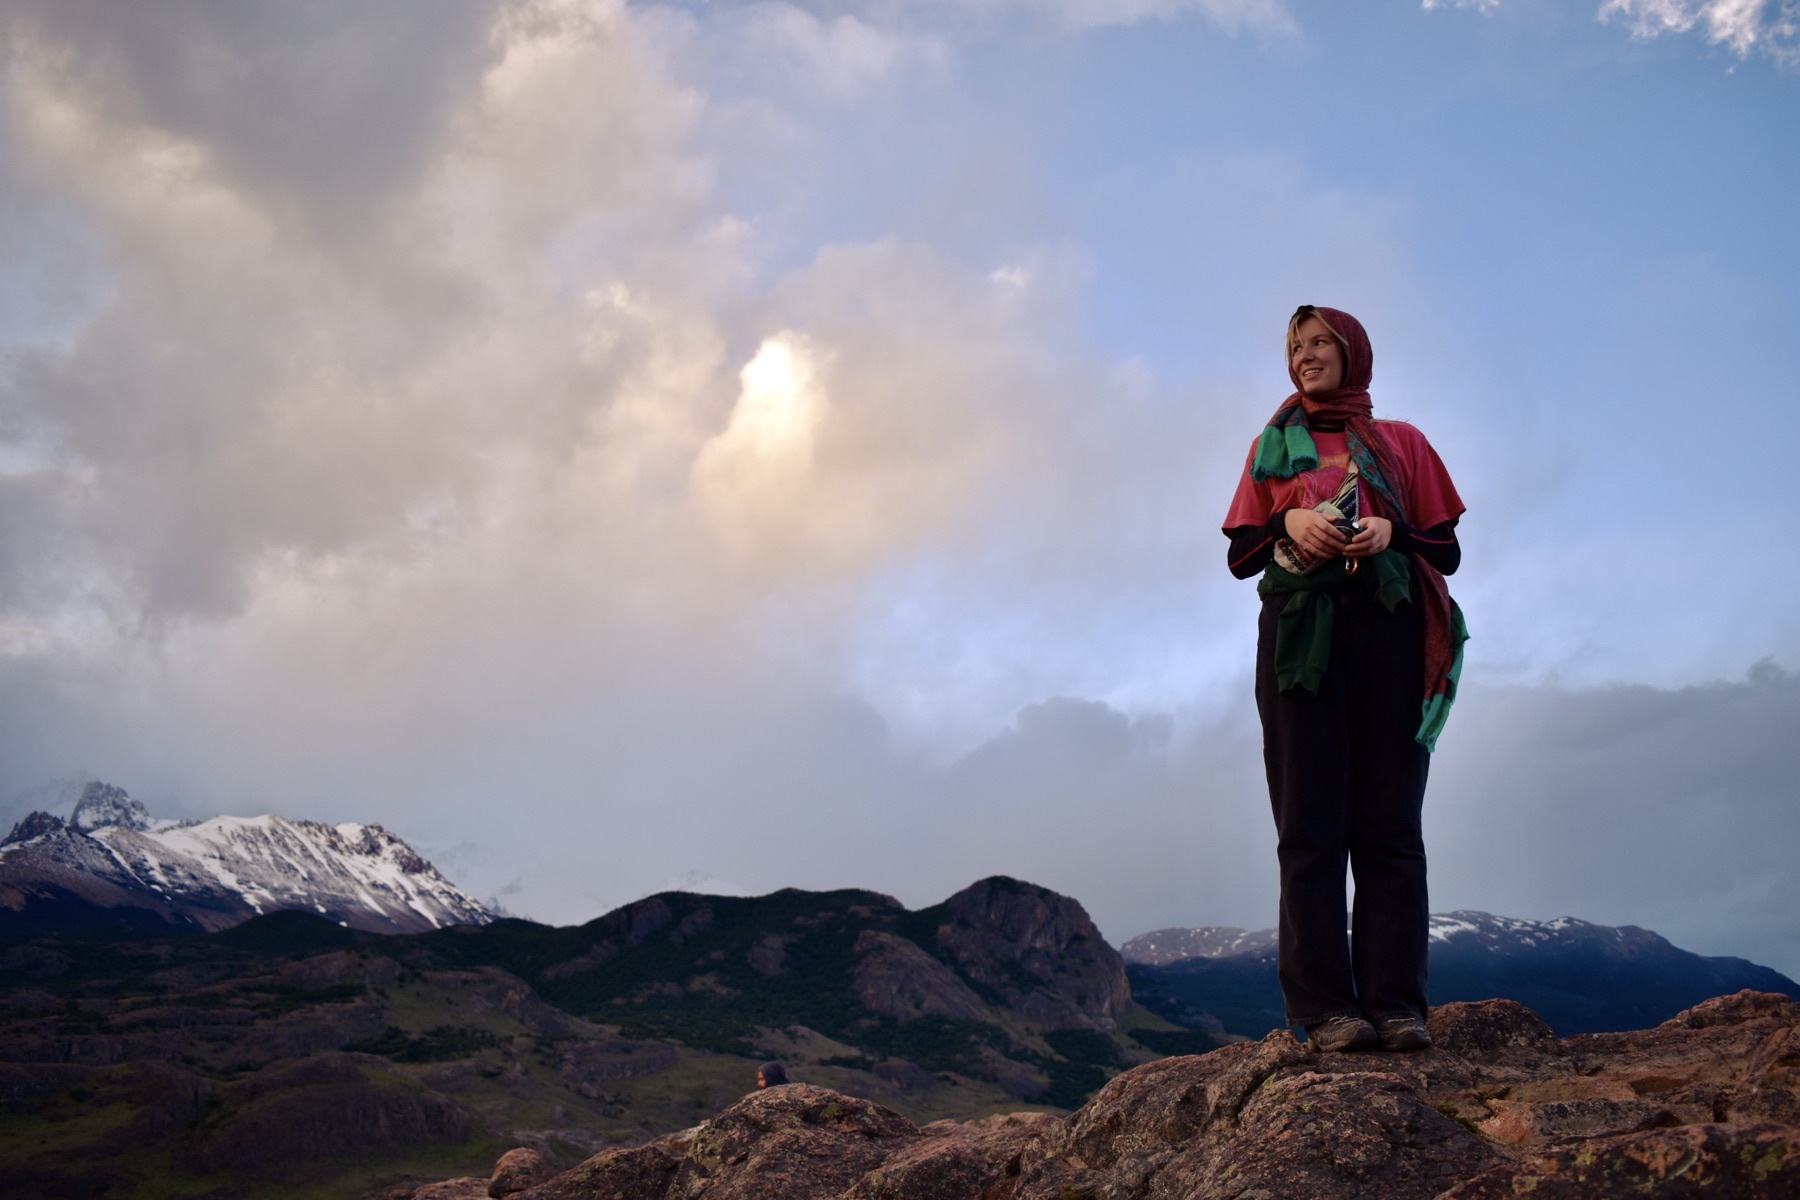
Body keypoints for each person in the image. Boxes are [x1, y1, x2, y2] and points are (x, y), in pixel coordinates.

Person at [1222, 305, 1467, 1053]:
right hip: (1302, 640)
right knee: (1310, 825)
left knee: (1390, 825)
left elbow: (1447, 551)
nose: (1305, 356)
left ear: (1354, 351)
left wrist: (1393, 531)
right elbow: (1239, 554)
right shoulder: (1272, 447)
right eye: (1295, 347)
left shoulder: (1404, 443)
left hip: (1392, 631)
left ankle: (1397, 1005)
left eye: (1320, 342)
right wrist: (1290, 524)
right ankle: (1327, 1008)